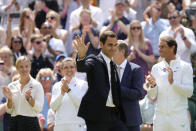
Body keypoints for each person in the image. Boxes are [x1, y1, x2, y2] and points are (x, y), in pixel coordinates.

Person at [73, 31, 128, 131]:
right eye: (110, 45)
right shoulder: (94, 60)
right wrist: (81, 56)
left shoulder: (113, 65)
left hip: (113, 114)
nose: (113, 48)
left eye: (115, 45)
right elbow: (82, 67)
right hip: (97, 115)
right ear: (101, 45)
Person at [145, 36, 193, 131]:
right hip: (160, 118)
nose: (159, 50)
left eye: (163, 47)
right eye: (159, 47)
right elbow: (152, 96)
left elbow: (189, 93)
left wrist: (173, 82)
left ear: (172, 48)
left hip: (178, 118)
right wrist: (153, 86)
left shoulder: (186, 67)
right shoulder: (156, 68)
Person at [2, 56, 44, 131]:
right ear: (17, 68)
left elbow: (39, 108)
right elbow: (9, 110)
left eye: (26, 66)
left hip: (31, 124)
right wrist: (10, 99)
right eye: (21, 67)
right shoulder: (11, 86)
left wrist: (29, 99)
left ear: (30, 67)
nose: (24, 69)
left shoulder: (37, 85)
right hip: (15, 124)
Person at [113, 40, 144, 131]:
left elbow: (138, 93)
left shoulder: (136, 69)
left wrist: (118, 89)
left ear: (122, 51)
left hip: (130, 121)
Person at [50, 57, 88, 131]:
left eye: (71, 67)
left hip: (77, 125)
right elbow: (53, 107)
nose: (69, 70)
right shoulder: (56, 86)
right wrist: (61, 94)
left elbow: (82, 106)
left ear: (76, 69)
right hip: (60, 125)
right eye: (66, 67)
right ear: (61, 70)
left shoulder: (83, 84)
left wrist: (68, 91)